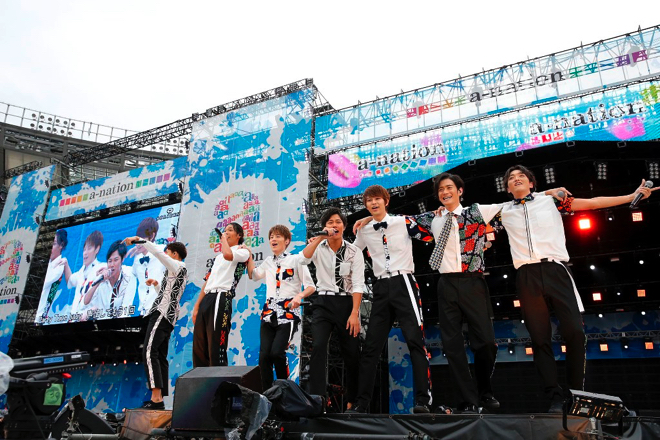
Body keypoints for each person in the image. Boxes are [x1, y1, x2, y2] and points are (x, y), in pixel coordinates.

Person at [496, 165, 657, 413]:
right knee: (539, 339)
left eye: (521, 176)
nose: (516, 179)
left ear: (531, 183)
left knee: (575, 332)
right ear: (507, 188)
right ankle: (554, 396)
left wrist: (630, 196)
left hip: (556, 270)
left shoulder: (551, 201)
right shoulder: (502, 211)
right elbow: (466, 216)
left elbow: (592, 203)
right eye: (511, 178)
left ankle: (575, 393)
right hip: (526, 275)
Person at [348, 185, 435, 414]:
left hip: (404, 281)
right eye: (369, 201)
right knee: (371, 347)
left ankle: (423, 400)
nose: (374, 203)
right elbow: (351, 255)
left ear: (386, 201)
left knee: (415, 341)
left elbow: (429, 232)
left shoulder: (402, 222)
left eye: (377, 199)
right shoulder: (364, 231)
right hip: (380, 287)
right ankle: (361, 403)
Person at [301, 207, 365, 411]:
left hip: (347, 304)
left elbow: (358, 284)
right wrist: (319, 238)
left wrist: (355, 313)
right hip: (323, 302)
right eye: (329, 222)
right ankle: (317, 398)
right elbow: (303, 259)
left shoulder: (354, 251)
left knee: (352, 353)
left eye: (337, 222)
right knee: (319, 346)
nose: (334, 225)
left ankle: (353, 400)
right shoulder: (318, 247)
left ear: (344, 226)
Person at [246, 225, 316, 392]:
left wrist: (299, 296)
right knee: (264, 357)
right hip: (269, 313)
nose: (273, 239)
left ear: (287, 241)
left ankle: (284, 390)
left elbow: (311, 286)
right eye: (271, 237)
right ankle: (267, 394)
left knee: (277, 353)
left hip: (288, 314)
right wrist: (249, 256)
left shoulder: (296, 260)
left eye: (277, 236)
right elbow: (253, 275)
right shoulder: (268, 261)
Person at [124, 236, 188, 410]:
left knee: (149, 351)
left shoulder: (178, 265)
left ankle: (156, 398)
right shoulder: (178, 270)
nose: (165, 255)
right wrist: (156, 286)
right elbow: (170, 294)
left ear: (174, 254)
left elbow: (158, 253)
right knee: (159, 355)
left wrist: (139, 240)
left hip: (162, 313)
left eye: (168, 252)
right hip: (168, 315)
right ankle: (158, 399)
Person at [192, 222, 250, 367]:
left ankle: (219, 379)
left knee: (216, 342)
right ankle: (200, 378)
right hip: (208, 297)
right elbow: (207, 282)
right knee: (199, 344)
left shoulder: (243, 251)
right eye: (224, 230)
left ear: (239, 235)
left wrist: (223, 239)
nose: (226, 233)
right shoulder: (217, 258)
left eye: (230, 230)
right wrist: (197, 307)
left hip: (222, 295)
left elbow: (228, 255)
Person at [82, 240, 137, 318]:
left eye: (116, 260)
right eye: (110, 261)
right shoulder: (102, 275)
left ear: (122, 259)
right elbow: (86, 301)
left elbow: (126, 308)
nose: (112, 265)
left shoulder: (129, 275)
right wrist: (99, 281)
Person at [61, 230, 105, 321]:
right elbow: (70, 281)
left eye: (89, 249)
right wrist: (66, 264)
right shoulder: (80, 273)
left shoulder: (102, 267)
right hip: (74, 319)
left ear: (97, 249)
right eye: (84, 249)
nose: (85, 252)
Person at [128, 217, 165, 315]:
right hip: (143, 311)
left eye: (141, 239)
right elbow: (131, 274)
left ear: (152, 236)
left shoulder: (162, 251)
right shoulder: (137, 259)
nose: (138, 243)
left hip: (159, 308)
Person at [37, 230, 68, 322]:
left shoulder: (60, 265)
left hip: (41, 314)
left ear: (61, 245)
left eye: (54, 244)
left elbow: (43, 284)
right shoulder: (49, 263)